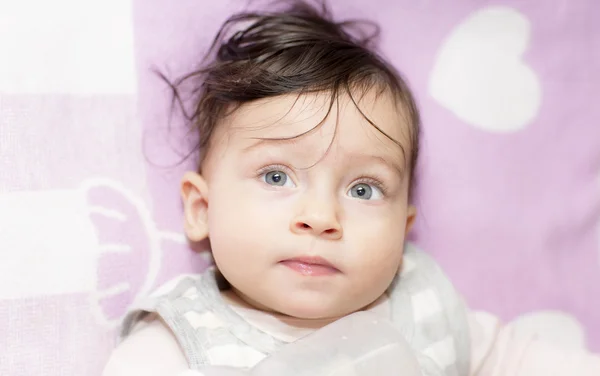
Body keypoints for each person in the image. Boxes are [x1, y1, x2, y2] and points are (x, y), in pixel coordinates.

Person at [102, 1, 600, 375]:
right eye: (277, 176)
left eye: (363, 190)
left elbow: (520, 360)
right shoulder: (176, 346)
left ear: (403, 227)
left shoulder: (422, 306)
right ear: (201, 209)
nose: (320, 217)